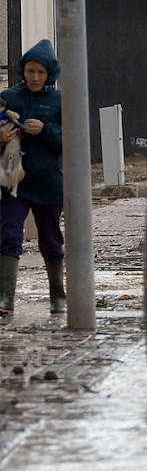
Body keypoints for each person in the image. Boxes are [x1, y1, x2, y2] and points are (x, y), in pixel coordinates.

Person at [0, 40, 64, 316]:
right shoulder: (9, 97)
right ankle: (5, 299)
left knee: (50, 238)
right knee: (8, 234)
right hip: (13, 181)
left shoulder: (61, 101)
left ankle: (57, 295)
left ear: (49, 73)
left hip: (49, 183)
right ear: (22, 71)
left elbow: (73, 140)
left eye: (40, 72)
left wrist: (46, 130)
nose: (35, 77)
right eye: (30, 71)